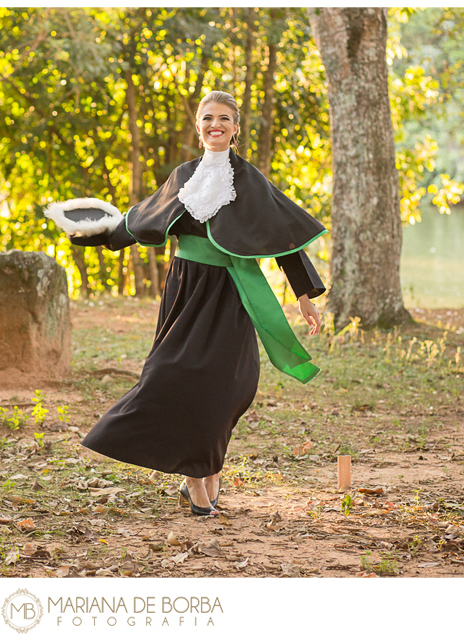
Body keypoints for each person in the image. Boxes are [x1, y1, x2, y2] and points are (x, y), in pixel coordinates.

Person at [71, 91, 327, 516]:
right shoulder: (183, 176)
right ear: (198, 125)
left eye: (224, 118)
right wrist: (96, 233)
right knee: (173, 374)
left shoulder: (249, 181)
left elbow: (284, 237)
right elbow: (141, 220)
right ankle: (196, 479)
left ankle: (208, 471)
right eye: (208, 118)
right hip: (185, 290)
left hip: (231, 293)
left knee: (228, 387)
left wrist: (304, 296)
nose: (216, 125)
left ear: (236, 128)